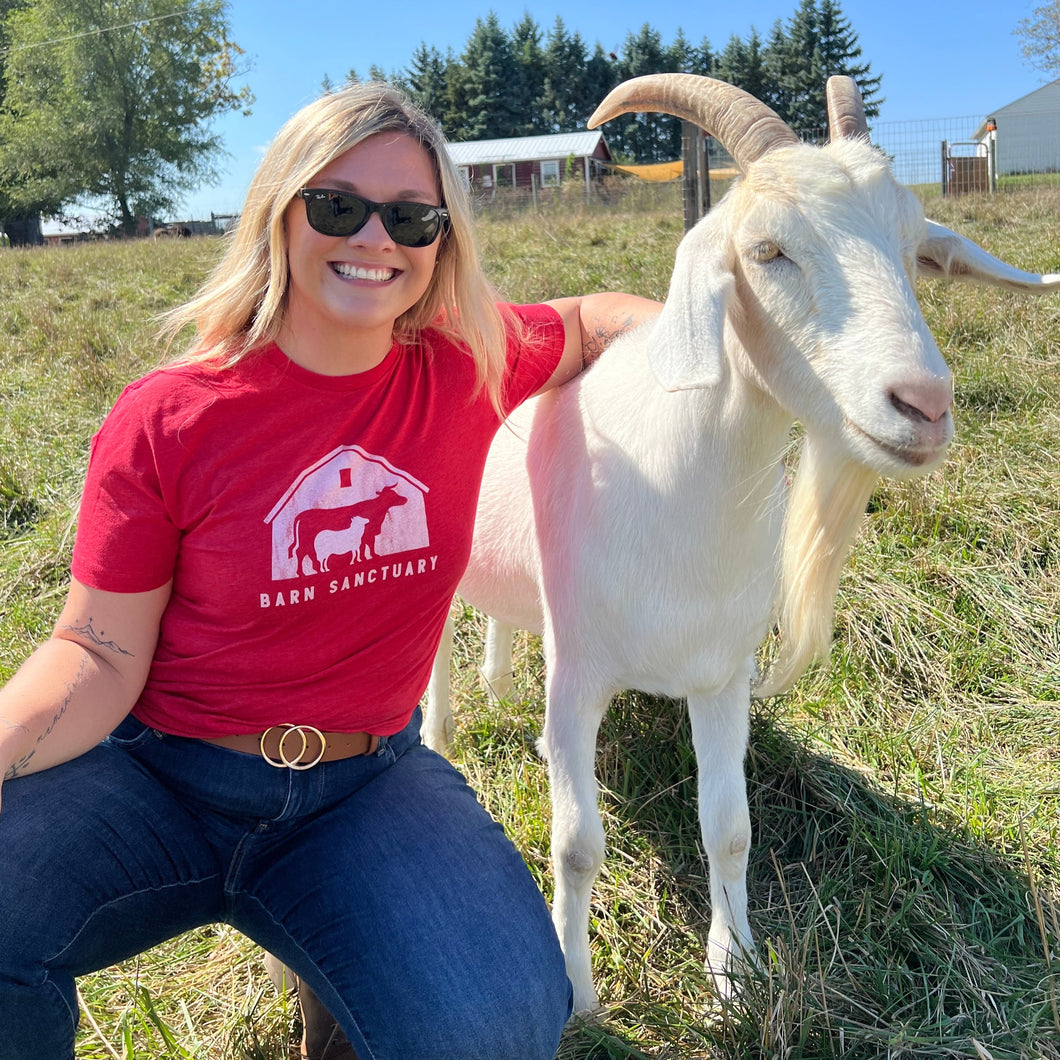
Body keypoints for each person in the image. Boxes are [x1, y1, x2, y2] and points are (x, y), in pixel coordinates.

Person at [0, 82, 659, 1060]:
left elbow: (597, 317)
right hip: (159, 772)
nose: (376, 239)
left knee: (500, 1027)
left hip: (361, 786)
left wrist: (697, 349)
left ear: (442, 240)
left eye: (411, 217)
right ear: (281, 211)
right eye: (338, 205)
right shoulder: (172, 416)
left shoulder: (467, 363)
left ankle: (341, 986)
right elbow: (96, 650)